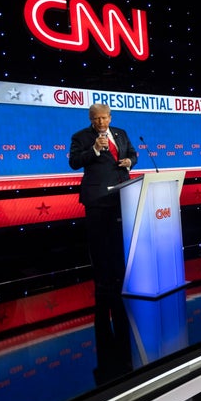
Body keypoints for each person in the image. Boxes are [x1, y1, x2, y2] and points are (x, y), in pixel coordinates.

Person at [69, 103, 137, 294]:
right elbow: (74, 162)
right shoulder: (80, 137)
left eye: (104, 117)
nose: (100, 121)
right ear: (90, 119)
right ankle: (102, 282)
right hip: (97, 198)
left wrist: (130, 161)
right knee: (99, 242)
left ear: (110, 117)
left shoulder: (120, 134)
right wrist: (94, 150)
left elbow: (132, 153)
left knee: (118, 239)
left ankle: (120, 276)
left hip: (121, 194)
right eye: (96, 118)